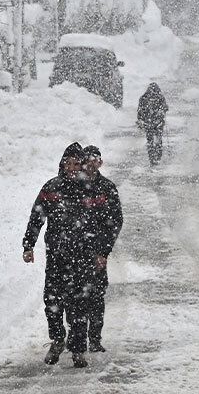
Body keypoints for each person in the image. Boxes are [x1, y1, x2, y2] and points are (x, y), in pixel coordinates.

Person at [22, 142, 95, 368]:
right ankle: (56, 340)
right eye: (68, 163)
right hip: (57, 256)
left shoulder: (90, 189)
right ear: (62, 164)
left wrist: (99, 249)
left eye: (76, 164)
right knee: (52, 301)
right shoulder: (51, 188)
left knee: (79, 304)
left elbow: (101, 222)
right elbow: (37, 217)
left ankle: (78, 349)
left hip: (82, 256)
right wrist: (28, 245)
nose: (72, 168)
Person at [80, 145, 123, 353]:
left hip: (97, 253)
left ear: (100, 162)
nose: (91, 163)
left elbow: (115, 222)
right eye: (87, 159)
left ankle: (95, 339)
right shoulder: (73, 187)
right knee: (75, 298)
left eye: (94, 159)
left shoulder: (107, 188)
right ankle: (77, 340)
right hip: (75, 253)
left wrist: (102, 251)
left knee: (96, 297)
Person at [137, 82, 169, 165]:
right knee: (158, 139)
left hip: (148, 123)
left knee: (150, 141)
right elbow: (165, 108)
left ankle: (152, 157)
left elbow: (139, 111)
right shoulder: (160, 98)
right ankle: (158, 156)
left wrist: (141, 120)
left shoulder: (143, 98)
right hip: (158, 123)